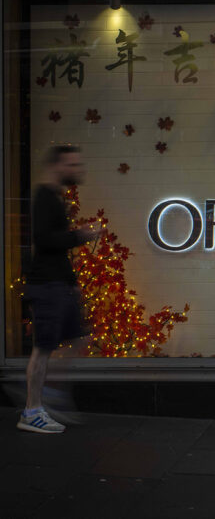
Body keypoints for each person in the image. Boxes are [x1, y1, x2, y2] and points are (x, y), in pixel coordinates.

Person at [17, 145, 97, 434]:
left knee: (78, 338)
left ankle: (49, 394)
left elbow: (55, 249)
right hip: (46, 286)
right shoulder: (44, 198)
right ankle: (32, 409)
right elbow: (45, 240)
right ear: (58, 166)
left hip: (57, 284)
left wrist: (72, 282)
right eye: (72, 165)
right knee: (43, 349)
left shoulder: (54, 197)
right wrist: (80, 235)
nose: (77, 170)